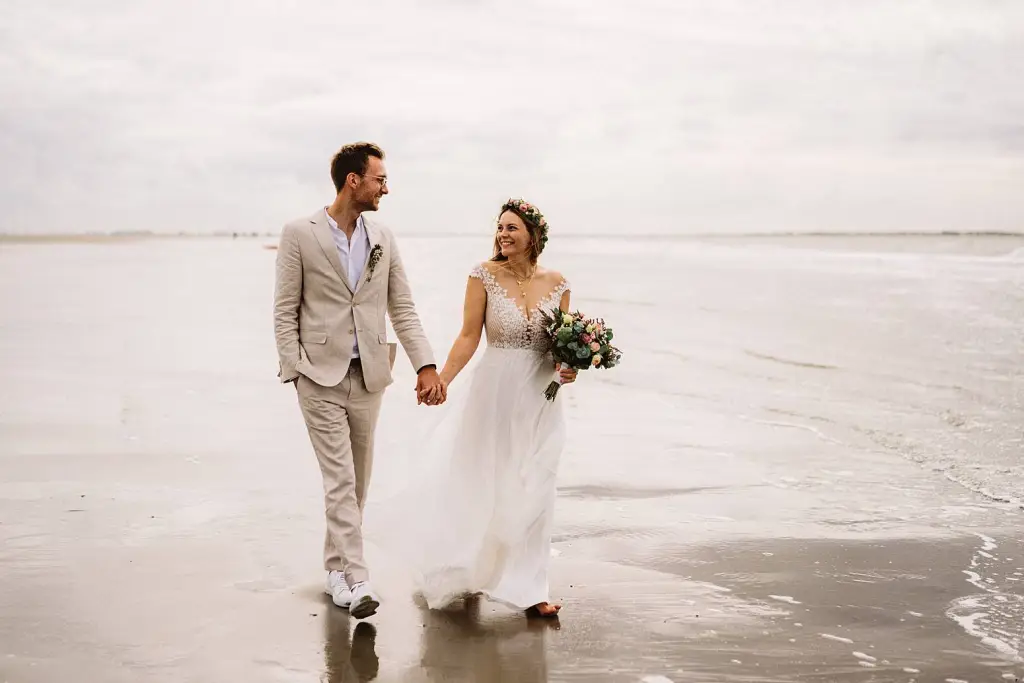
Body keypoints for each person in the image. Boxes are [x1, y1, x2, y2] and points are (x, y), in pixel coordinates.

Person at [273, 142, 444, 619]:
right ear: (353, 180)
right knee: (340, 479)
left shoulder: (383, 236)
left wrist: (425, 365)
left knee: (358, 483)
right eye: (379, 179)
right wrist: (295, 368)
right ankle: (360, 579)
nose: (385, 188)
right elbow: (285, 310)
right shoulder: (299, 234)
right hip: (318, 378)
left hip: (369, 375)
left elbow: (402, 308)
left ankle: (335, 572)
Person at [400, 197, 576, 618]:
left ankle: (532, 589)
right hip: (494, 393)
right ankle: (463, 569)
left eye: (512, 228)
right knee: (481, 479)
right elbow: (467, 337)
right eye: (500, 227)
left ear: (533, 235)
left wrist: (570, 366)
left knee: (536, 482)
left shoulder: (560, 283)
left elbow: (561, 348)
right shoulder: (483, 276)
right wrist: (442, 377)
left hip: (541, 395)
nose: (503, 234)